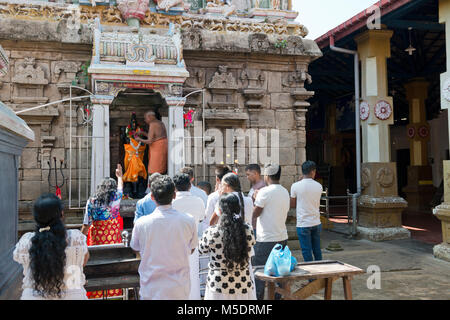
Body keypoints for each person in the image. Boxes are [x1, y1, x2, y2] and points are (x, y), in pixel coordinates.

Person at [130, 175, 198, 300]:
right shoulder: (188, 220)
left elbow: (135, 248)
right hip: (179, 287)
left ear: (152, 197)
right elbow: (192, 248)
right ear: (174, 195)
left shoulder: (141, 223)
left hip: (151, 287)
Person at [13, 193, 89, 300]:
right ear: (61, 214)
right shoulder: (76, 239)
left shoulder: (26, 242)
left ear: (36, 217)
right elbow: (83, 261)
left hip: (34, 296)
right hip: (73, 294)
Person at [199, 193, 256, 300]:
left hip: (218, 284)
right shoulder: (248, 229)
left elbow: (201, 249)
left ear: (219, 210)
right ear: (238, 209)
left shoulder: (211, 232)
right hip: (242, 283)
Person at [80, 164, 124, 299]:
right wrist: (120, 176)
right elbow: (120, 187)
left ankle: (96, 294)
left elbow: (86, 224)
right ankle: (114, 293)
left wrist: (79, 238)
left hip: (97, 238)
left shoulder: (91, 202)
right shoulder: (116, 198)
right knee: (113, 265)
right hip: (113, 239)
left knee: (97, 264)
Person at [251, 164, 290, 300]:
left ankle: (259, 299)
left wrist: (255, 199)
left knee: (259, 272)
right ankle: (278, 297)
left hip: (266, 239)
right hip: (282, 236)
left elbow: (255, 214)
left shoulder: (264, 192)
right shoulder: (285, 191)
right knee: (279, 271)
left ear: (267, 176)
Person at [172, 173, 206, 300]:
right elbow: (202, 218)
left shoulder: (171, 203)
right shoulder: (198, 201)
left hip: (174, 245)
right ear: (190, 186)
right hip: (193, 243)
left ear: (174, 187)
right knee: (193, 276)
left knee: (176, 278)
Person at [290, 161, 323, 262]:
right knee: (317, 249)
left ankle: (311, 276)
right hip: (316, 222)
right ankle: (321, 271)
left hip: (303, 223)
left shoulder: (295, 186)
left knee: (306, 250)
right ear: (313, 172)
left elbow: (292, 205)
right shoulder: (319, 186)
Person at [135, 110, 168, 175]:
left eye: (145, 118)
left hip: (157, 150)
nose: (145, 120)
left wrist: (139, 139)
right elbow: (154, 137)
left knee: (154, 171)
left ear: (150, 117)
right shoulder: (160, 123)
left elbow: (150, 141)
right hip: (162, 148)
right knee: (161, 168)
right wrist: (143, 133)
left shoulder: (153, 124)